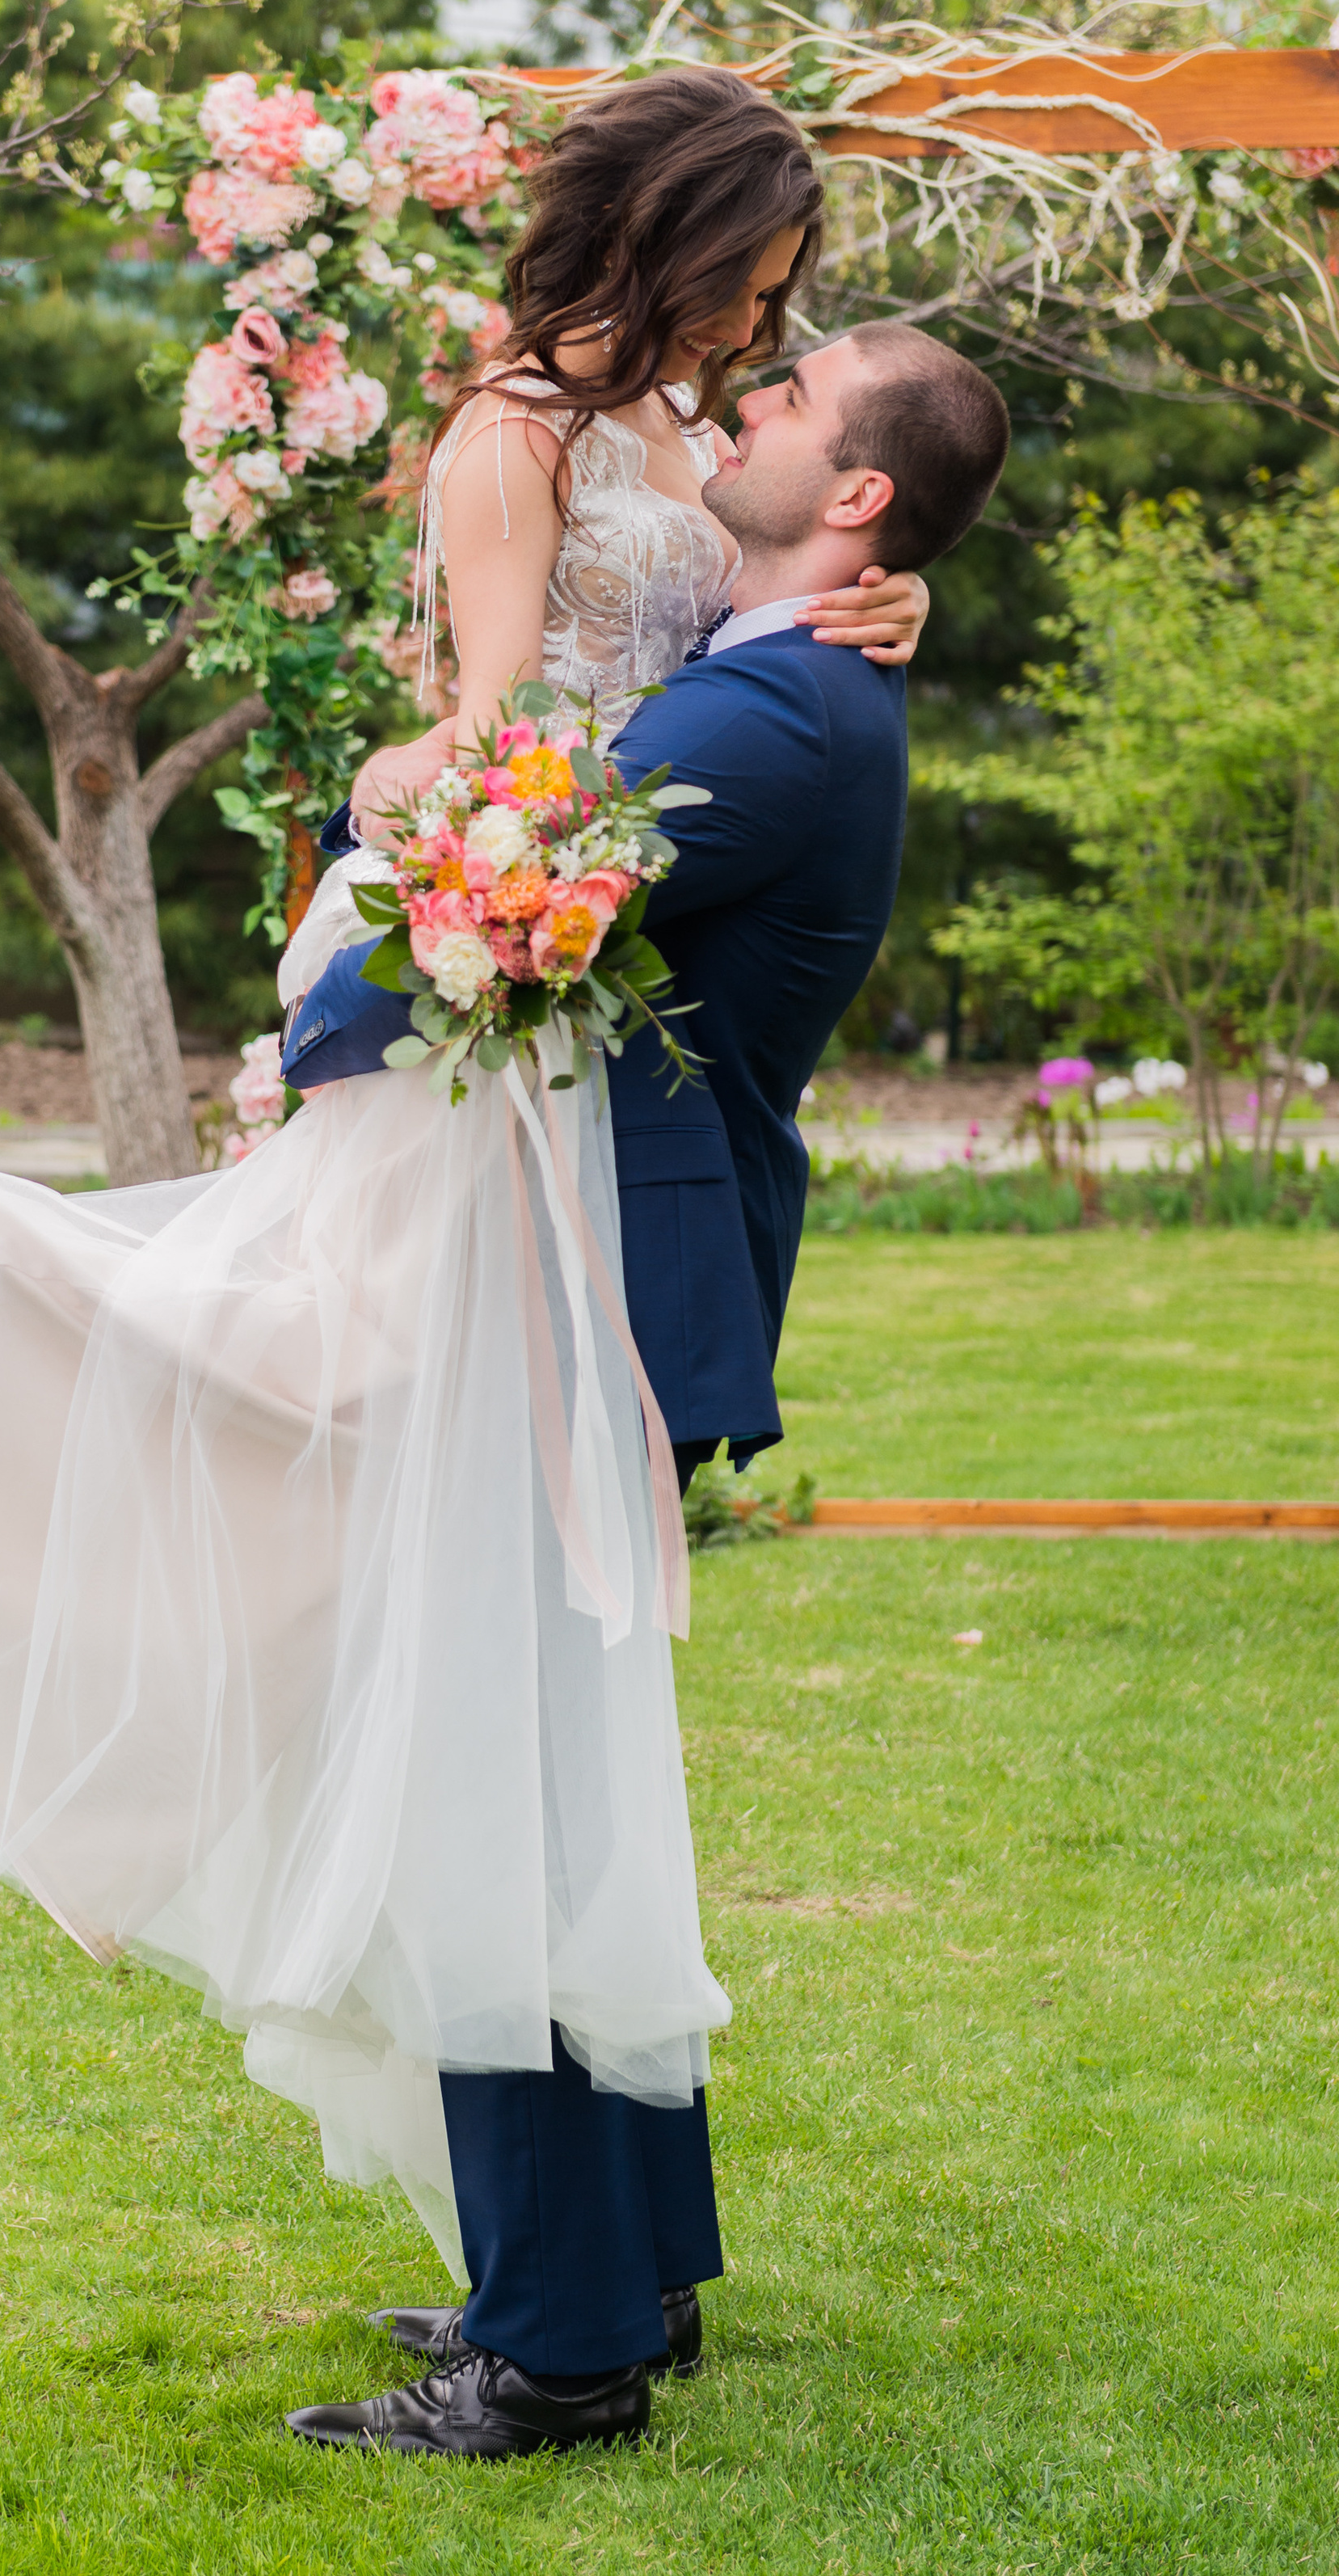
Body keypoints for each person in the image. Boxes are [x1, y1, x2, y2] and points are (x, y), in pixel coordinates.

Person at [0, 70, 937, 2429]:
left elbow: (694, 685)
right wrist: (412, 838)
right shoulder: (507, 444)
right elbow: (497, 745)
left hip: (551, 1083)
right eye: (756, 275)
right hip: (496, 1080)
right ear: (671, 241)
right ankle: (588, 2270)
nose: (773, 317)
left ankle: (584, 2306)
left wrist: (862, 587)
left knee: (509, 1680)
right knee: (477, 1653)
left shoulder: (680, 453)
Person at [277, 310, 1009, 2457]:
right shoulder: (793, 667)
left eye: (782, 402)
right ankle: (611, 2281)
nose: (735, 411)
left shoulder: (780, 715)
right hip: (583, 1257)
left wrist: (355, 840)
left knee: (502, 1770)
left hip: (585, 1278)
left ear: (857, 495)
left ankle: (562, 2347)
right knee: (560, 1768)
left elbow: (501, 896)